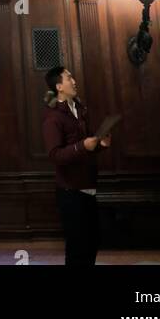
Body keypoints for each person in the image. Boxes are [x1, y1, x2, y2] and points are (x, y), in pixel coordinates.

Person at [42, 65, 110, 266]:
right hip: (70, 191)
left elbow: (85, 148)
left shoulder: (79, 109)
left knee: (92, 242)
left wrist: (100, 145)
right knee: (77, 248)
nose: (74, 81)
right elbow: (55, 155)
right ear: (59, 86)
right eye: (69, 78)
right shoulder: (52, 117)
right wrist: (82, 146)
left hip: (88, 186)